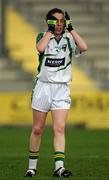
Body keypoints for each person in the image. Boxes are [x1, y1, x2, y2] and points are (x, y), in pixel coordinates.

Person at [25, 8, 88, 178]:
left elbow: (84, 47)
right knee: (38, 129)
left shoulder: (69, 39)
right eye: (55, 21)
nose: (59, 24)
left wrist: (71, 28)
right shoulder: (42, 36)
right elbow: (40, 48)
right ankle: (32, 168)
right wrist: (49, 31)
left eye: (62, 21)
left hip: (62, 89)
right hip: (43, 88)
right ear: (48, 22)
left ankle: (59, 168)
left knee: (59, 128)